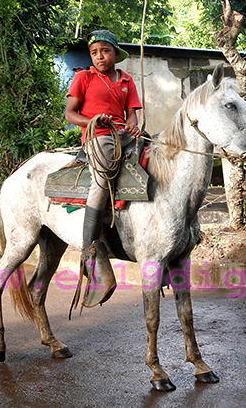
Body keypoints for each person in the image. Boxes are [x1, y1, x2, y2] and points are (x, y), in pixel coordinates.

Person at [64, 29, 142, 307]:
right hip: (98, 136)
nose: (99, 56)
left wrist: (133, 123)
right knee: (104, 177)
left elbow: (132, 112)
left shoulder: (126, 80)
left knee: (154, 161)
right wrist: (93, 120)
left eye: (104, 51)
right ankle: (90, 252)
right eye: (94, 52)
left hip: (125, 136)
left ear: (114, 53)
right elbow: (70, 114)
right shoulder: (83, 77)